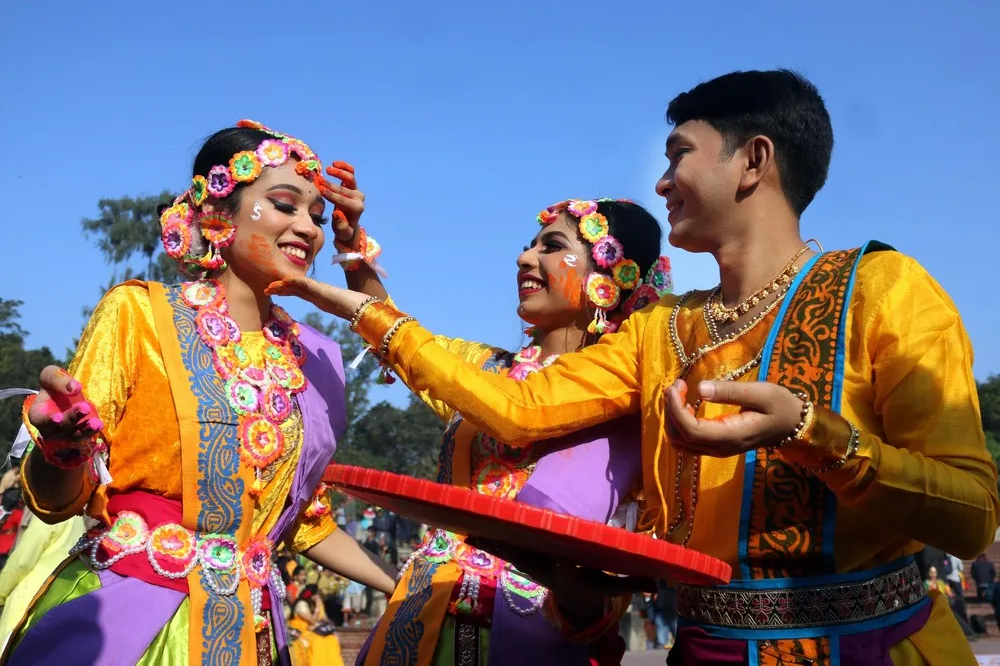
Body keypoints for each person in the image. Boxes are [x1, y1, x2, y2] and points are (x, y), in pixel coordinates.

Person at [269, 70, 998, 665]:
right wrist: (364, 302)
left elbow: (973, 512)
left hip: (875, 646)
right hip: (704, 647)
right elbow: (519, 407)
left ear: (754, 160)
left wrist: (815, 432)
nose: (662, 181)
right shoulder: (663, 328)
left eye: (679, 153)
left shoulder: (885, 289)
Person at [2, 121, 397, 666]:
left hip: (252, 634)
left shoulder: (319, 360)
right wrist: (61, 446)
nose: (308, 228)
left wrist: (409, 587)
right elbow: (53, 501)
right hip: (132, 621)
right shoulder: (139, 314)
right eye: (285, 205)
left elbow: (303, 520)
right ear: (216, 215)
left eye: (318, 216)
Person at [272, 164, 670, 663]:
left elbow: (615, 554)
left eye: (552, 246)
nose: (525, 257)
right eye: (531, 244)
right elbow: (406, 342)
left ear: (607, 277)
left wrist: (582, 598)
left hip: (532, 630)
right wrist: (354, 252)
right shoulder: (486, 369)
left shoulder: (622, 398)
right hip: (422, 619)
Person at [0, 508, 85, 651]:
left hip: (26, 600)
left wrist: (1, 592)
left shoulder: (50, 512)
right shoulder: (83, 517)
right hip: (54, 599)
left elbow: (22, 561)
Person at [287, 584, 345, 666]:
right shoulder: (301, 604)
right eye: (317, 595)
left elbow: (319, 619)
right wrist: (318, 607)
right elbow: (312, 620)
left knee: (331, 639)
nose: (318, 597)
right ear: (313, 595)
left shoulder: (310, 603)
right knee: (319, 641)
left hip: (309, 630)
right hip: (301, 631)